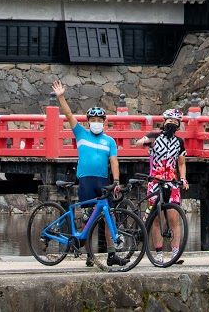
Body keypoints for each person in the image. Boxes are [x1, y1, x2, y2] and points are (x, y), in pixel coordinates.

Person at [51, 80, 120, 257]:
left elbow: (114, 162)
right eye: (93, 120)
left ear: (104, 122)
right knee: (88, 217)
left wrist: (117, 181)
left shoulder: (109, 141)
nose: (96, 123)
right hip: (86, 180)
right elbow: (68, 114)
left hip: (103, 181)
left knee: (108, 216)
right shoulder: (81, 134)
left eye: (99, 120)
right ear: (88, 122)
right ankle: (88, 254)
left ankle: (111, 253)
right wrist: (61, 97)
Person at [132, 107, 189, 264]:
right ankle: (158, 253)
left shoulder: (179, 142)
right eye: (169, 121)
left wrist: (183, 178)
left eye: (175, 122)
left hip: (172, 180)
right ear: (164, 122)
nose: (172, 124)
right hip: (155, 180)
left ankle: (175, 253)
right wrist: (144, 141)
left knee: (174, 218)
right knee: (156, 219)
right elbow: (137, 144)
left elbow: (182, 163)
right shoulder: (154, 136)